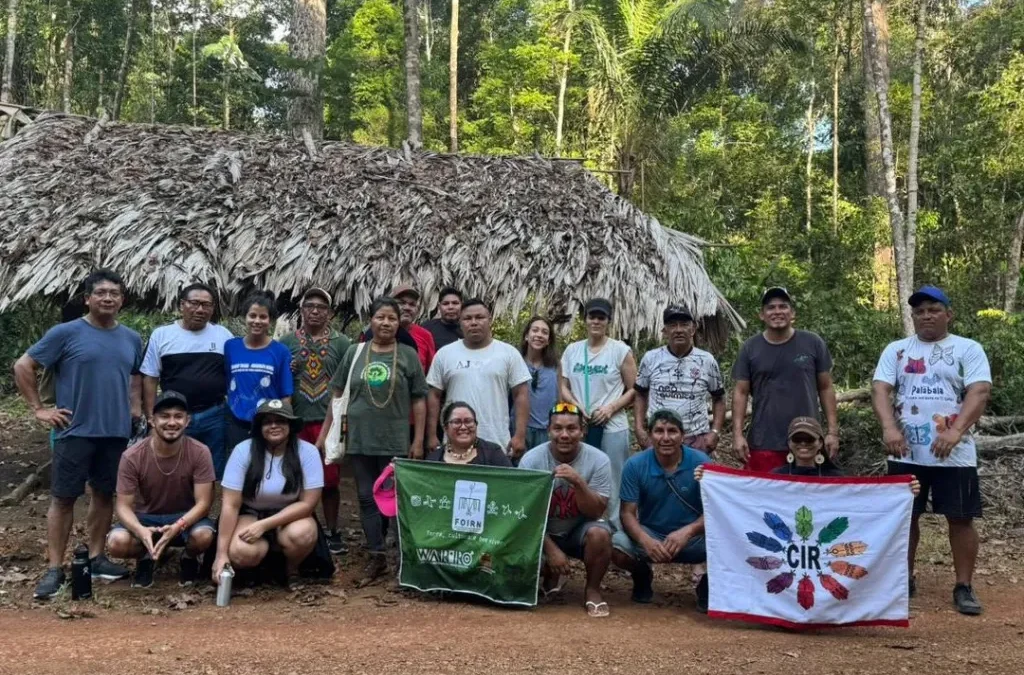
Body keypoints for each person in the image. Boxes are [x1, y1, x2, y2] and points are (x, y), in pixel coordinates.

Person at [14, 269, 143, 600]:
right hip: (74, 429)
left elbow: (134, 377)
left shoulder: (131, 338)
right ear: (87, 298)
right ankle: (55, 568)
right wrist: (39, 408)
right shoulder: (65, 333)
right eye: (100, 293)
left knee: (104, 494)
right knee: (63, 497)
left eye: (114, 293)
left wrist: (135, 410)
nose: (108, 298)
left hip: (114, 432)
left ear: (122, 300)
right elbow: (23, 366)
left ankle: (97, 558)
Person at [871, 285, 992, 615]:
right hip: (905, 451)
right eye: (920, 311)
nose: (926, 315)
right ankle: (903, 578)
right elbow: (881, 389)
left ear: (948, 314)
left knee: (961, 518)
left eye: (933, 309)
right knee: (905, 517)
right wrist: (889, 427)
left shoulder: (967, 349)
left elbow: (979, 391)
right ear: (912, 316)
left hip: (955, 453)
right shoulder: (897, 350)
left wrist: (955, 431)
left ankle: (964, 586)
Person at [319, 297, 428, 584]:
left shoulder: (407, 355)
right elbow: (337, 394)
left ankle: (403, 560)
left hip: (394, 441)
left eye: (392, 318)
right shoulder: (356, 352)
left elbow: (419, 400)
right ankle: (377, 556)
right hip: (359, 439)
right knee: (366, 498)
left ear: (398, 322)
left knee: (394, 501)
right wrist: (324, 435)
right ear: (371, 320)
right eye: (380, 317)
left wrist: (418, 440)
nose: (386, 323)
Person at [107, 391, 216, 587]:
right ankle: (145, 557)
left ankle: (188, 557)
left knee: (204, 536)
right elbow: (123, 506)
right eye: (164, 416)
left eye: (178, 416)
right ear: (152, 420)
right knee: (116, 542)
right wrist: (140, 530)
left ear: (187, 421)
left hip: (185, 517)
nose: (171, 422)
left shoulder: (200, 452)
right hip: (145, 517)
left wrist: (178, 525)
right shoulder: (132, 456)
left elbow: (204, 503)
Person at [214, 399, 323, 589]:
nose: (274, 426)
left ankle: (291, 570)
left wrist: (264, 525)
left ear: (290, 425)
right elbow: (230, 505)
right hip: (251, 512)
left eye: (280, 421)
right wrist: (221, 554)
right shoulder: (242, 451)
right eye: (267, 421)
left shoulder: (308, 452)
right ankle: (256, 572)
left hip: (292, 513)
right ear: (259, 427)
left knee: (302, 534)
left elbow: (308, 504)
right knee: (241, 551)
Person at [519, 403, 613, 618]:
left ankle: (592, 589)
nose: (564, 435)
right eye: (557, 428)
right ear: (548, 431)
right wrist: (551, 549)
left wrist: (579, 482)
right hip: (540, 532)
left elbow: (596, 511)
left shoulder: (599, 460)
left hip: (577, 530)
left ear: (582, 431)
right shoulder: (531, 460)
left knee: (600, 534)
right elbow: (524, 515)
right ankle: (549, 573)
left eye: (571, 428)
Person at [732, 287, 839, 472]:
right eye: (771, 307)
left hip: (808, 440)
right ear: (762, 315)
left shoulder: (813, 343)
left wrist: (832, 432)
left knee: (809, 498)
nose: (777, 312)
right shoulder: (750, 348)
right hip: (764, 441)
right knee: (764, 498)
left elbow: (826, 387)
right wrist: (737, 435)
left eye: (783, 306)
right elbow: (740, 392)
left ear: (792, 313)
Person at [613, 409, 710, 612]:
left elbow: (717, 511)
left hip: (693, 538)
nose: (665, 438)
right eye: (659, 431)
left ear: (682, 436)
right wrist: (645, 540)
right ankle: (642, 576)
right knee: (616, 544)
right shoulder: (635, 465)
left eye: (672, 431)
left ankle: (707, 586)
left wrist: (689, 531)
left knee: (731, 541)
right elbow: (627, 513)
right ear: (650, 435)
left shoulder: (702, 463)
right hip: (652, 535)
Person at [279, 287, 351, 555]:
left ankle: (332, 531)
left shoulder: (343, 343)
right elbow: (279, 378)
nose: (315, 311)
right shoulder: (286, 342)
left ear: (329, 313)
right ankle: (303, 529)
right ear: (302, 310)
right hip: (295, 421)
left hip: (328, 421)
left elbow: (346, 384)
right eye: (310, 306)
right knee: (297, 479)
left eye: (321, 307)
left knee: (330, 481)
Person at [141, 283, 233, 479]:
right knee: (175, 469)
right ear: (182, 305)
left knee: (212, 471)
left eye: (206, 305)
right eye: (194, 303)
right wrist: (151, 418)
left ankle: (204, 508)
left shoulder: (223, 335)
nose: (200, 309)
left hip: (214, 415)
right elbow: (150, 378)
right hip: (174, 418)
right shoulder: (162, 335)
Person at [559, 298, 637, 527]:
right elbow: (563, 385)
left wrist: (611, 407)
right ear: (585, 320)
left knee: (613, 476)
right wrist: (575, 406)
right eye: (592, 316)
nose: (596, 321)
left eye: (601, 317)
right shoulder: (572, 351)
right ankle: (581, 525)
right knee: (581, 474)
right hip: (579, 424)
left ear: (608, 321)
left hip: (611, 425)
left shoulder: (620, 351)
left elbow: (634, 389)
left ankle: (614, 528)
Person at [426, 299, 531, 458]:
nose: (473, 323)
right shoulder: (445, 354)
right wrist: (432, 435)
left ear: (489, 320)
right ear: (460, 322)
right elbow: (434, 395)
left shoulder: (508, 353)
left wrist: (520, 435)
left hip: (497, 442)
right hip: (454, 443)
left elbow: (521, 395)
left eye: (479, 317)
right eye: (467, 318)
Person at [634, 306, 726, 453]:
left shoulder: (707, 360)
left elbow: (719, 398)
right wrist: (639, 429)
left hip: (696, 439)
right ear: (664, 331)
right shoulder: (651, 358)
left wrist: (714, 432)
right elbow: (640, 393)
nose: (678, 330)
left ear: (693, 329)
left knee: (694, 476)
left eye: (684, 324)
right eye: (672, 325)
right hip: (659, 438)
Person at [223, 291, 293, 452]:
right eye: (252, 315)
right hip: (236, 421)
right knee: (239, 469)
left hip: (268, 423)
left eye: (263, 317)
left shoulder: (281, 351)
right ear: (244, 317)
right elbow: (227, 381)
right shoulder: (231, 347)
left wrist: (281, 424)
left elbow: (286, 394)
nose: (257, 321)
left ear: (271, 321)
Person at [516, 316, 560, 451]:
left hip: (546, 430)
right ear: (526, 336)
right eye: (535, 330)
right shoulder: (516, 362)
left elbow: (560, 399)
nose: (539, 335)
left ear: (548, 341)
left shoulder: (556, 366)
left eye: (544, 332)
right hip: (519, 429)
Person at [425, 401, 512, 467]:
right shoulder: (434, 459)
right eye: (456, 422)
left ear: (476, 424)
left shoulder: (493, 453)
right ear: (445, 428)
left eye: (468, 421)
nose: (463, 427)